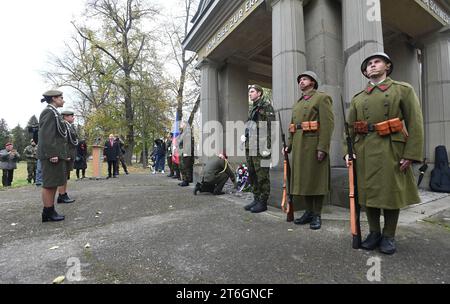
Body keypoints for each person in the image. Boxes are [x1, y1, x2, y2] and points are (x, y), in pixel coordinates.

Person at [345, 52, 424, 254]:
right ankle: (374, 233)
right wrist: (349, 152)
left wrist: (411, 153)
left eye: (376, 62)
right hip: (364, 149)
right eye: (368, 64)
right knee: (368, 193)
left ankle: (388, 235)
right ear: (365, 71)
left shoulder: (402, 90)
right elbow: (350, 129)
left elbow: (415, 123)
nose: (372, 66)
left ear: (387, 66)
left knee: (390, 193)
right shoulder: (358, 98)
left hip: (391, 148)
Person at [284, 71, 335, 230]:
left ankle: (317, 214)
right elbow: (293, 127)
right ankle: (308, 211)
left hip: (314, 145)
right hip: (299, 145)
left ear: (312, 82)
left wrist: (323, 147)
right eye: (299, 80)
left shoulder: (321, 98)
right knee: (303, 180)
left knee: (316, 179)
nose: (301, 82)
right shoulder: (297, 103)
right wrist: (289, 145)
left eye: (304, 79)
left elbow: (327, 125)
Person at [243, 84, 275, 213]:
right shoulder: (252, 109)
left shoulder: (266, 106)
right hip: (250, 145)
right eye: (249, 92)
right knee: (253, 173)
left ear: (259, 93)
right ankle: (256, 198)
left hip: (261, 146)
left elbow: (271, 128)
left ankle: (263, 201)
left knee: (262, 174)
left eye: (252, 91)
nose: (250, 94)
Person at [37, 90, 68, 222]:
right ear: (54, 98)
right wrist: (52, 153)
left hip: (56, 154)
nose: (63, 100)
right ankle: (47, 212)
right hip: (51, 155)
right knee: (49, 184)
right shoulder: (49, 112)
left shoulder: (54, 112)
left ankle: (50, 210)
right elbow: (46, 135)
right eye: (61, 98)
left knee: (54, 182)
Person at [56, 107, 78, 204]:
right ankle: (61, 195)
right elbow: (63, 142)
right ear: (65, 117)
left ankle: (64, 194)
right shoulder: (63, 126)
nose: (73, 118)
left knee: (65, 175)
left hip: (70, 153)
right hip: (66, 153)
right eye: (71, 116)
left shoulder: (70, 126)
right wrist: (65, 154)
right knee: (62, 175)